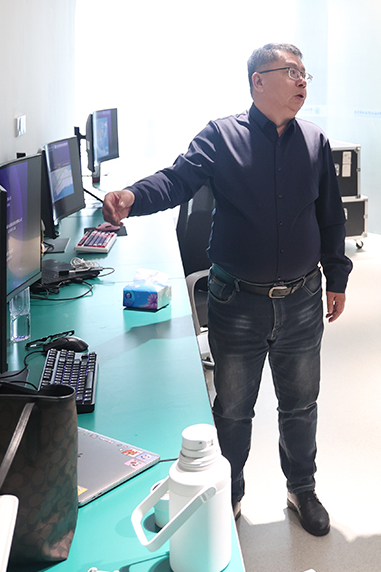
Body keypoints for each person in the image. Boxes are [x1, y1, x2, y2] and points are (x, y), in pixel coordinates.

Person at [102, 43, 352, 537]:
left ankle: (301, 488)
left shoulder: (314, 141)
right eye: (292, 71)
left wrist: (337, 278)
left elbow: (331, 216)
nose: (303, 80)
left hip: (302, 299)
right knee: (234, 409)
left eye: (305, 73)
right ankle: (229, 493)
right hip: (237, 302)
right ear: (258, 80)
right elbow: (176, 181)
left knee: (301, 405)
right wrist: (132, 195)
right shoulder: (221, 136)